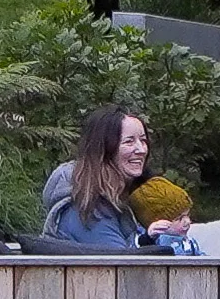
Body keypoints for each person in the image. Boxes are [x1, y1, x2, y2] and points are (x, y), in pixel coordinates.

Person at [42, 106, 197, 252]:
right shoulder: (84, 207)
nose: (141, 149)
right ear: (104, 149)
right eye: (129, 141)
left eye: (143, 140)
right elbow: (121, 266)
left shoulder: (131, 194)